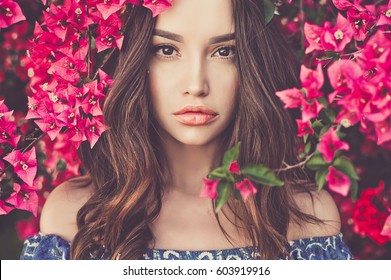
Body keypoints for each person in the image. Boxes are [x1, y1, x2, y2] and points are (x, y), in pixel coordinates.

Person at [20, 0, 353, 260]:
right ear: (133, 61)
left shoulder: (308, 218)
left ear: (253, 64)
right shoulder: (75, 218)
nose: (196, 85)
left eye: (225, 51)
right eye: (167, 50)